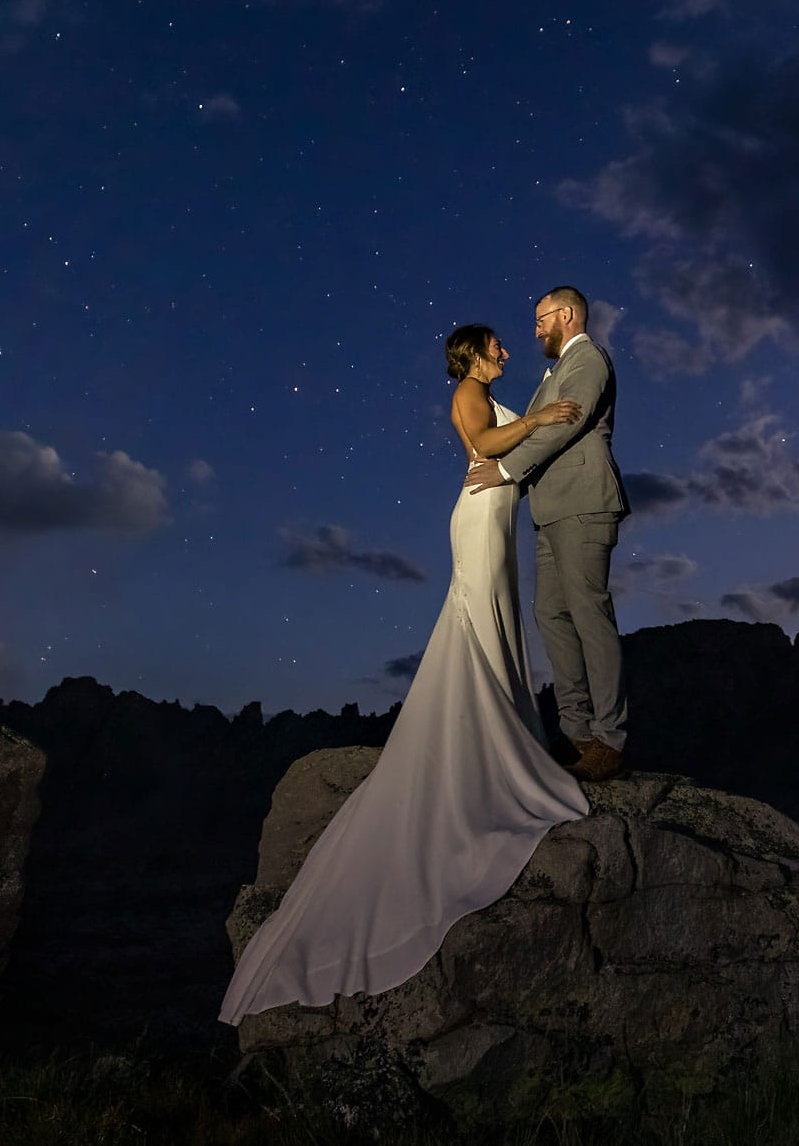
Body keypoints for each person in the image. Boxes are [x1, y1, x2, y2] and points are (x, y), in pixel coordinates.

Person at [217, 325, 591, 1024]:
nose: (506, 353)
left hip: (496, 520)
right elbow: (483, 448)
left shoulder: (485, 388)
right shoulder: (468, 392)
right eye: (497, 346)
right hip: (479, 522)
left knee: (495, 627)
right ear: (474, 355)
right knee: (478, 624)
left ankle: (499, 736)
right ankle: (487, 753)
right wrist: (538, 418)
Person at [463, 285, 631, 782]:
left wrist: (506, 471)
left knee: (589, 614)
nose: (535, 330)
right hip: (550, 510)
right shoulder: (555, 372)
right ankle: (577, 732)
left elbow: (565, 426)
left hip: (583, 504)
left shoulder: (588, 360)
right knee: (552, 615)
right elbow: (536, 425)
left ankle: (609, 738)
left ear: (568, 315)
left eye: (541, 320)